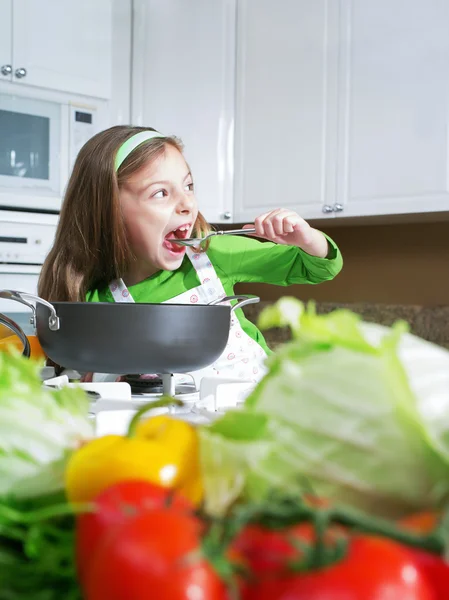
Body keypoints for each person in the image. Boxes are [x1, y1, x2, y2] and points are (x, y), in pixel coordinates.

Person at [38, 125, 343, 385]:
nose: (187, 203)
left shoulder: (213, 252)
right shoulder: (96, 301)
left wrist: (306, 238)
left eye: (188, 186)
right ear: (107, 211)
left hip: (262, 404)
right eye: (161, 193)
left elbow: (317, 268)